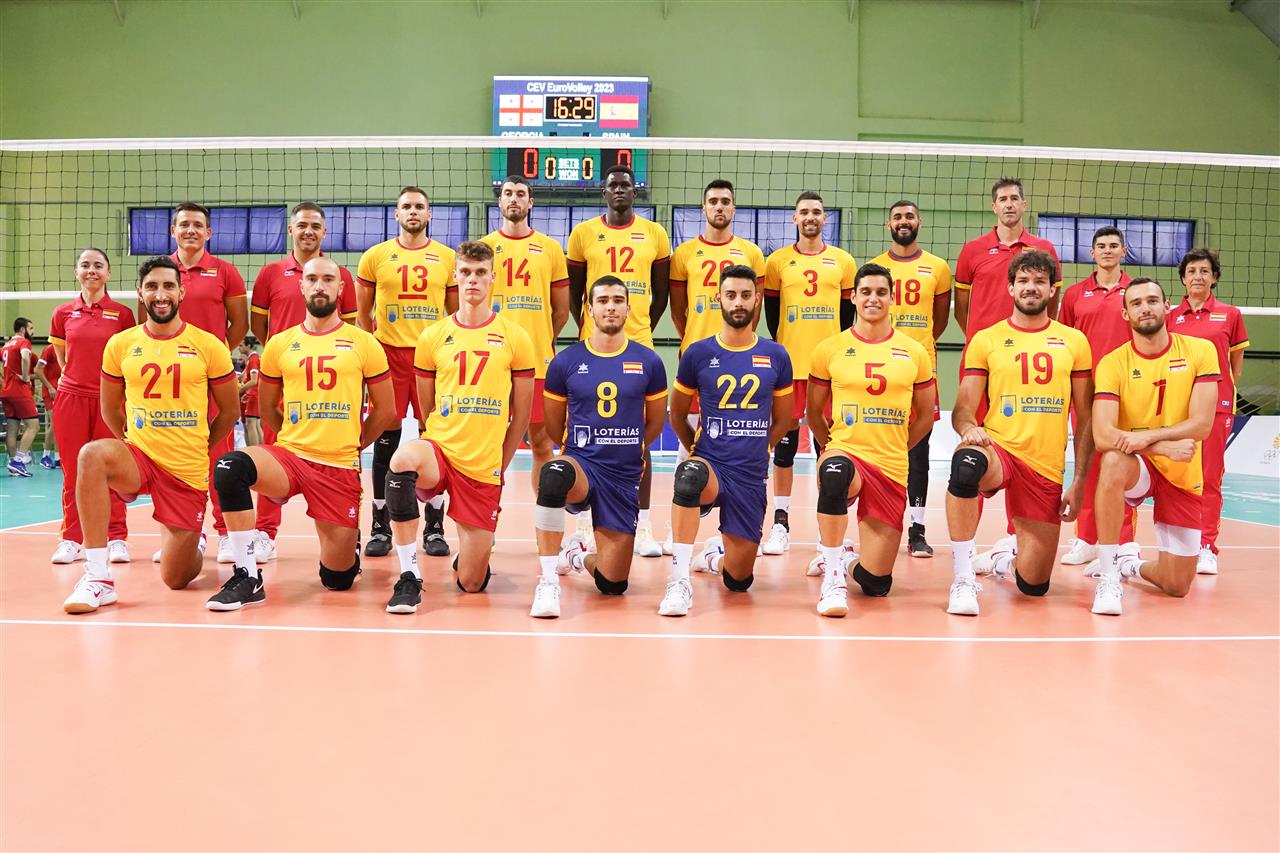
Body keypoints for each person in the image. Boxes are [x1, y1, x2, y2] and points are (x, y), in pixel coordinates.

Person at [205, 257, 396, 611]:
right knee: (230, 468)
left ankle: (349, 545)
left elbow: (386, 410)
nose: (320, 285)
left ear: (341, 288)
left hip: (338, 465)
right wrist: (294, 439)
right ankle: (247, 574)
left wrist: (353, 446)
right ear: (302, 285)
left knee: (337, 580)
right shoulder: (280, 343)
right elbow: (267, 408)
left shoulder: (364, 342)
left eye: (328, 279)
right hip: (291, 457)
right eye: (312, 279)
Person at [61, 256, 238, 613]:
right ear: (140, 293)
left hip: (185, 470)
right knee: (91, 455)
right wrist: (129, 442)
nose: (160, 294)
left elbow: (230, 411)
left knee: (176, 578)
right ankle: (97, 578)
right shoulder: (121, 344)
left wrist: (201, 446)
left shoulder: (208, 345)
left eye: (168, 286)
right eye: (152, 286)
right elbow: (110, 409)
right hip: (140, 458)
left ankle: (194, 541)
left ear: (181, 292)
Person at [380, 241, 535, 614]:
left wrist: (500, 463)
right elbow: (427, 408)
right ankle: (409, 574)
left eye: (480, 273)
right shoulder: (432, 337)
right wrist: (439, 437)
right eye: (465, 272)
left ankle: (472, 554)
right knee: (401, 460)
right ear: (455, 277)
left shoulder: (515, 337)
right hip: (440, 451)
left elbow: (521, 415)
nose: (472, 280)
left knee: (472, 583)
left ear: (493, 277)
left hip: (482, 465)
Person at [943, 250, 1093, 616]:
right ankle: (963, 576)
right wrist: (968, 427)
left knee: (1034, 586)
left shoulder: (1074, 341)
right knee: (966, 463)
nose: (1031, 287)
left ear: (1053, 289)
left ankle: (1002, 560)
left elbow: (1086, 419)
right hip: (1000, 449)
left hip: (1045, 466)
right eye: (1023, 280)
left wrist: (1079, 482)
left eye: (1040, 281)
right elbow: (963, 408)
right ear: (1010, 288)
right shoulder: (986, 339)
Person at [528, 275, 668, 618]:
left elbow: (654, 423)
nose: (611, 307)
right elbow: (553, 426)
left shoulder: (649, 361)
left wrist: (628, 447)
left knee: (612, 584)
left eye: (618, 300)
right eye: (603, 301)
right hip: (582, 466)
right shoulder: (566, 361)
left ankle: (576, 556)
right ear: (589, 309)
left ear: (628, 308)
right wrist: (579, 452)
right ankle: (548, 580)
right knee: (554, 473)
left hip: (622, 476)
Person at [657, 265, 792, 617]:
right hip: (712, 465)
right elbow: (677, 414)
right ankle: (679, 581)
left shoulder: (776, 355)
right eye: (731, 295)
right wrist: (697, 452)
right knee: (690, 477)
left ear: (757, 299)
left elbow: (784, 419)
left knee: (738, 580)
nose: (738, 302)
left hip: (749, 475)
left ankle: (714, 558)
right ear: (718, 298)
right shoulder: (698, 353)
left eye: (746, 295)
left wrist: (762, 448)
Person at [806, 263, 935, 617]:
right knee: (834, 473)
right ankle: (833, 577)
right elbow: (813, 412)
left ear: (892, 298)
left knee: (876, 584)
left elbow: (925, 416)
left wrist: (897, 447)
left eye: (880, 292)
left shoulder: (914, 352)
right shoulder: (830, 348)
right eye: (865, 292)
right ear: (853, 297)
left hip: (890, 465)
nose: (873, 298)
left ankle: (845, 561)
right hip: (846, 453)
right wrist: (831, 447)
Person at [1089, 278, 1219, 616]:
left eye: (1151, 300)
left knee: (1177, 585)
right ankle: (1108, 576)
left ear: (1167, 306)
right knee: (1112, 460)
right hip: (1140, 465)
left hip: (1181, 472)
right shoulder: (1113, 363)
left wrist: (1147, 438)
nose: (1144, 308)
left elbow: (1202, 424)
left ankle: (1129, 565)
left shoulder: (1200, 351)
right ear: (1125, 314)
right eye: (1136, 303)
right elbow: (1103, 436)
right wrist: (1161, 448)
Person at [566, 164, 671, 557]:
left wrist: (638, 326)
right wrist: (594, 329)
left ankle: (642, 526)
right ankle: (583, 526)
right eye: (613, 185)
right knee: (584, 434)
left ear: (635, 191)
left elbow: (661, 294)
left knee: (639, 439)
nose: (620, 190)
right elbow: (576, 294)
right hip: (591, 347)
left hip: (638, 343)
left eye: (626, 184)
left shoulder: (655, 234)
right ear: (604, 191)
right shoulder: (582, 234)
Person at [247, 202, 359, 560]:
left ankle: (345, 527)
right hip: (286, 377)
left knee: (340, 452)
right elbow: (259, 326)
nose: (308, 231)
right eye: (302, 225)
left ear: (324, 232)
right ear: (291, 230)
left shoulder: (340, 274)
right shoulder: (270, 274)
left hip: (332, 382)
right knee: (274, 449)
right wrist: (286, 357)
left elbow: (350, 329)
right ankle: (265, 532)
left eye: (315, 226)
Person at [356, 186, 458, 559]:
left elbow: (454, 315)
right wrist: (372, 355)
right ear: (396, 214)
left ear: (429, 214)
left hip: (432, 359)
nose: (413, 211)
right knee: (385, 442)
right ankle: (380, 525)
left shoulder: (447, 257)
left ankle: (435, 526)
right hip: (389, 358)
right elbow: (363, 314)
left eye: (419, 206)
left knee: (437, 442)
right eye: (406, 206)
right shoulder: (375, 256)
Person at [665, 179, 767, 553]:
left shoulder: (751, 253)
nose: (719, 206)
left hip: (740, 361)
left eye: (725, 201)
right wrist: (698, 342)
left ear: (733, 208)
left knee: (741, 442)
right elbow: (678, 310)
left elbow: (755, 309)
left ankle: (733, 527)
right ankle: (678, 531)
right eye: (713, 201)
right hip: (699, 358)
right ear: (703, 208)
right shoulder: (684, 253)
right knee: (688, 446)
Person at [761, 191, 857, 555]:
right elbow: (772, 315)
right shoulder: (777, 262)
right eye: (804, 211)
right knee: (783, 451)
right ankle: (780, 524)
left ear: (825, 218)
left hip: (828, 372)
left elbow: (846, 319)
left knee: (828, 450)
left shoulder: (844, 261)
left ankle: (825, 529)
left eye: (816, 211)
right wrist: (786, 348)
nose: (810, 217)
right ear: (794, 218)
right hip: (790, 369)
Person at [161, 202, 249, 564]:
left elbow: (239, 325)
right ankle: (187, 534)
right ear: (173, 230)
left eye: (198, 225)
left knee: (219, 457)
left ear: (208, 232)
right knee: (174, 459)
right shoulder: (161, 271)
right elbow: (146, 323)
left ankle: (225, 532)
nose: (191, 230)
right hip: (171, 380)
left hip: (211, 381)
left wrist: (214, 359)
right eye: (184, 224)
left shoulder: (225, 271)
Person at [869, 200, 953, 557]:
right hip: (881, 370)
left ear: (920, 221)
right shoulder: (876, 267)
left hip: (921, 370)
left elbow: (939, 322)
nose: (903, 222)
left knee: (919, 452)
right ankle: (880, 522)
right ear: (888, 224)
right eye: (897, 217)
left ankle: (917, 529)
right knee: (878, 448)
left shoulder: (938, 267)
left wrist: (918, 349)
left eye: (909, 217)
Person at [481, 175, 570, 489]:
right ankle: (484, 516)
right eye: (508, 193)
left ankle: (544, 517)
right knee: (488, 447)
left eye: (520, 194)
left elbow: (561, 311)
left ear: (530, 202)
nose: (514, 199)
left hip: (538, 362)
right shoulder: (484, 248)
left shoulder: (550, 248)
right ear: (500, 201)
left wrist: (543, 338)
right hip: (491, 361)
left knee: (542, 446)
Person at [48, 248, 136, 564]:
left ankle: (117, 538)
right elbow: (63, 359)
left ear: (108, 273)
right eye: (85, 265)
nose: (91, 270)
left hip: (110, 400)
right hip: (71, 399)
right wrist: (75, 380)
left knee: (113, 470)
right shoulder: (62, 314)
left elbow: (128, 359)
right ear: (77, 272)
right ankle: (71, 539)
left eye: (98, 265)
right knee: (73, 471)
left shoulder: (123, 314)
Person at [1056, 226, 1137, 566]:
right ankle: (1087, 539)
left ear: (1123, 252)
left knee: (1121, 464)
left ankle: (1122, 542)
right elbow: (1063, 341)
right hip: (1085, 389)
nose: (1107, 250)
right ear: (1092, 253)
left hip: (1126, 388)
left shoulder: (1136, 291)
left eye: (1113, 245)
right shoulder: (1075, 294)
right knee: (1086, 464)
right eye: (1101, 246)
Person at [1168, 248, 1249, 575]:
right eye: (1191, 271)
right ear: (1183, 279)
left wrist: (1219, 392)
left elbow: (1235, 367)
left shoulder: (1230, 314)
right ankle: (1178, 543)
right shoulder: (1170, 317)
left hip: (1216, 407)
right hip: (1177, 407)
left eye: (1204, 271)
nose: (1197, 277)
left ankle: (1206, 546)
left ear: (1214, 278)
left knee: (1209, 477)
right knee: (1175, 478)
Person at [954, 177, 1061, 338]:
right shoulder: (972, 250)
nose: (1009, 205)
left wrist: (1038, 336)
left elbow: (1051, 303)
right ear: (994, 207)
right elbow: (960, 311)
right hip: (985, 344)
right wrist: (977, 338)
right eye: (1003, 199)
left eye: (1014, 198)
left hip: (1028, 342)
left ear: (1024, 205)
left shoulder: (1045, 248)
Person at [2, 317, 38, 476]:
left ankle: (13, 466)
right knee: (34, 425)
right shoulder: (24, 342)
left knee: (12, 428)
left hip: (6, 391)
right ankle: (18, 460)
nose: (33, 332)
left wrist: (4, 380)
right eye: (31, 328)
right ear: (22, 330)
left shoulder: (6, 345)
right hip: (19, 390)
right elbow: (24, 356)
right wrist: (24, 376)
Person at [34, 342, 61, 469]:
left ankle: (58, 458)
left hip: (62, 391)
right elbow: (37, 370)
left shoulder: (69, 348)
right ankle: (45, 456)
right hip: (51, 392)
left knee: (60, 425)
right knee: (56, 423)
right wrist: (50, 387)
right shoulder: (50, 349)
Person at [238, 338, 262, 447]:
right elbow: (245, 377)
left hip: (254, 394)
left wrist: (240, 390)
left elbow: (254, 380)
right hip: (253, 394)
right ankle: (259, 449)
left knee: (251, 423)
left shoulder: (253, 359)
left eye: (241, 345)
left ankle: (254, 451)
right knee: (255, 424)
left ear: (248, 346)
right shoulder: (251, 359)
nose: (239, 348)